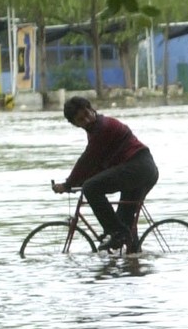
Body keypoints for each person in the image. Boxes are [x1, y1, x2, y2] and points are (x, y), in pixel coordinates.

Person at [54, 97, 159, 252]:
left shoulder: (103, 127)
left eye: (87, 113)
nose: (87, 119)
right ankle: (134, 263)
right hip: (141, 170)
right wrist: (76, 182)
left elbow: (87, 160)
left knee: (91, 188)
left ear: (91, 108)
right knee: (125, 224)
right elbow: (97, 166)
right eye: (81, 119)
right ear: (76, 124)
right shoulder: (95, 131)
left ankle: (116, 234)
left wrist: (68, 184)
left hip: (138, 166)